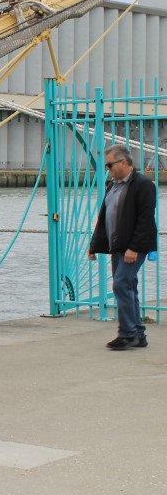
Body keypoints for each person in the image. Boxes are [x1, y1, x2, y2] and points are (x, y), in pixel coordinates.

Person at [88, 144, 159, 350]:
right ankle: (137, 333)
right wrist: (94, 245)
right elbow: (104, 217)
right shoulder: (113, 186)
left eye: (110, 165)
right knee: (128, 286)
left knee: (120, 284)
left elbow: (146, 220)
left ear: (124, 162)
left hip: (133, 247)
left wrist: (134, 248)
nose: (107, 169)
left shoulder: (143, 185)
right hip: (117, 245)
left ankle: (127, 334)